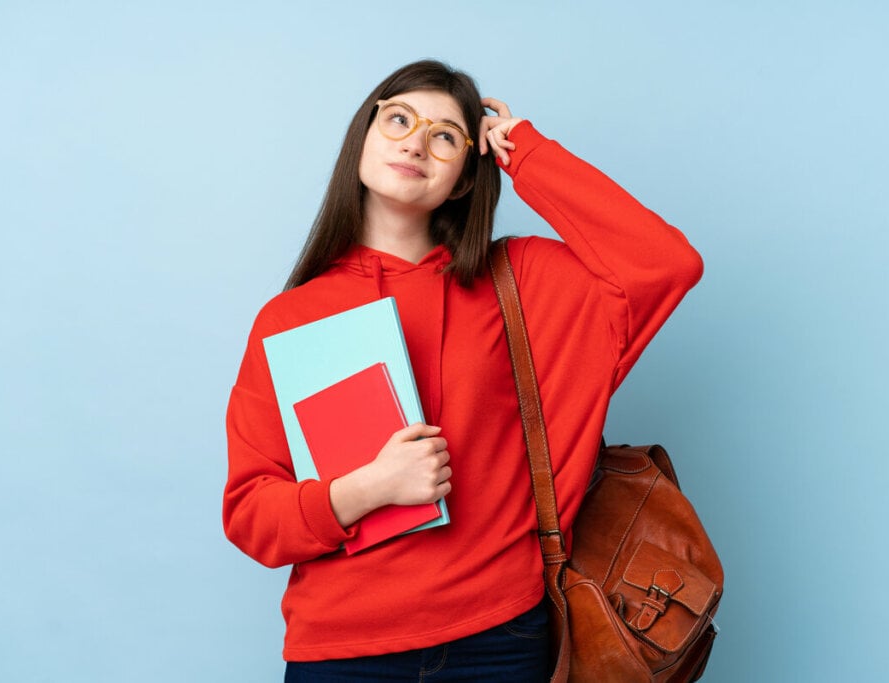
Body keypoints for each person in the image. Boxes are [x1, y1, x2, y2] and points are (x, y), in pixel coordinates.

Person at [223, 59, 703, 682]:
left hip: (498, 640)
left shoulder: (519, 283)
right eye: (398, 119)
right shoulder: (288, 319)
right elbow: (251, 515)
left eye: (445, 135)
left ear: (462, 180)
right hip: (342, 652)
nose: (415, 141)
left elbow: (665, 264)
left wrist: (527, 155)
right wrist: (370, 488)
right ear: (362, 138)